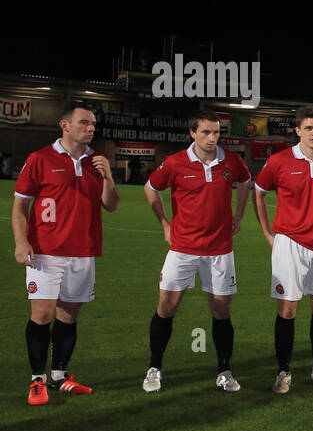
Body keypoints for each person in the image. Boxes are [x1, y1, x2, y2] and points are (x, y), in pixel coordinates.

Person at [13, 104, 119, 406]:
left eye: (93, 124)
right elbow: (20, 207)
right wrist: (21, 242)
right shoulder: (40, 159)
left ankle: (60, 376)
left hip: (84, 253)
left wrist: (108, 177)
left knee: (69, 315)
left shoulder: (95, 162)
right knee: (42, 314)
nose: (91, 128)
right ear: (64, 126)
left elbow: (111, 205)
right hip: (45, 252)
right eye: (84, 123)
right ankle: (37, 380)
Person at [141, 108, 251, 393]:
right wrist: (165, 223)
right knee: (166, 307)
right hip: (183, 248)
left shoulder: (232, 161)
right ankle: (154, 368)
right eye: (206, 132)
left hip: (220, 250)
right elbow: (151, 188)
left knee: (221, 310)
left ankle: (224, 371)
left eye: (216, 132)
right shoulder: (176, 162)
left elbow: (245, 181)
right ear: (192, 133)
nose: (212, 137)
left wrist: (238, 215)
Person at [254, 105, 313, 393]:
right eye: (308, 128)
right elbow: (259, 192)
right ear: (297, 130)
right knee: (288, 309)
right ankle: (284, 371)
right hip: (290, 244)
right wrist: (268, 233)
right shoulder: (280, 160)